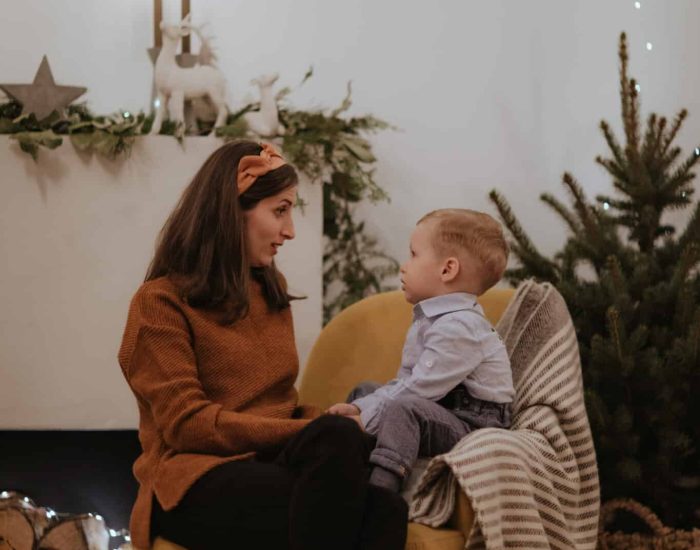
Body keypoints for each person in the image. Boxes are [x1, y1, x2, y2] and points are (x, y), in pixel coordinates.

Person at [118, 140, 408, 550]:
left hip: (266, 463)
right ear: (232, 212)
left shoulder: (268, 291)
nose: (289, 231)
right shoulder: (159, 303)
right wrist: (308, 429)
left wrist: (331, 419)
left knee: (379, 496)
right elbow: (187, 426)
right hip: (190, 481)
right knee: (351, 482)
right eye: (280, 210)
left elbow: (277, 406)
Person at [328, 209, 514, 492]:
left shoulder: (460, 327)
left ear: (447, 270)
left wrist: (365, 420)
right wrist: (360, 408)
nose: (405, 266)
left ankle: (381, 490)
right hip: (443, 407)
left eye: (414, 255)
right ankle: (351, 461)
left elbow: (417, 392)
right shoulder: (430, 319)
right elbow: (406, 383)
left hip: (474, 425)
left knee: (403, 409)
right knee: (365, 391)